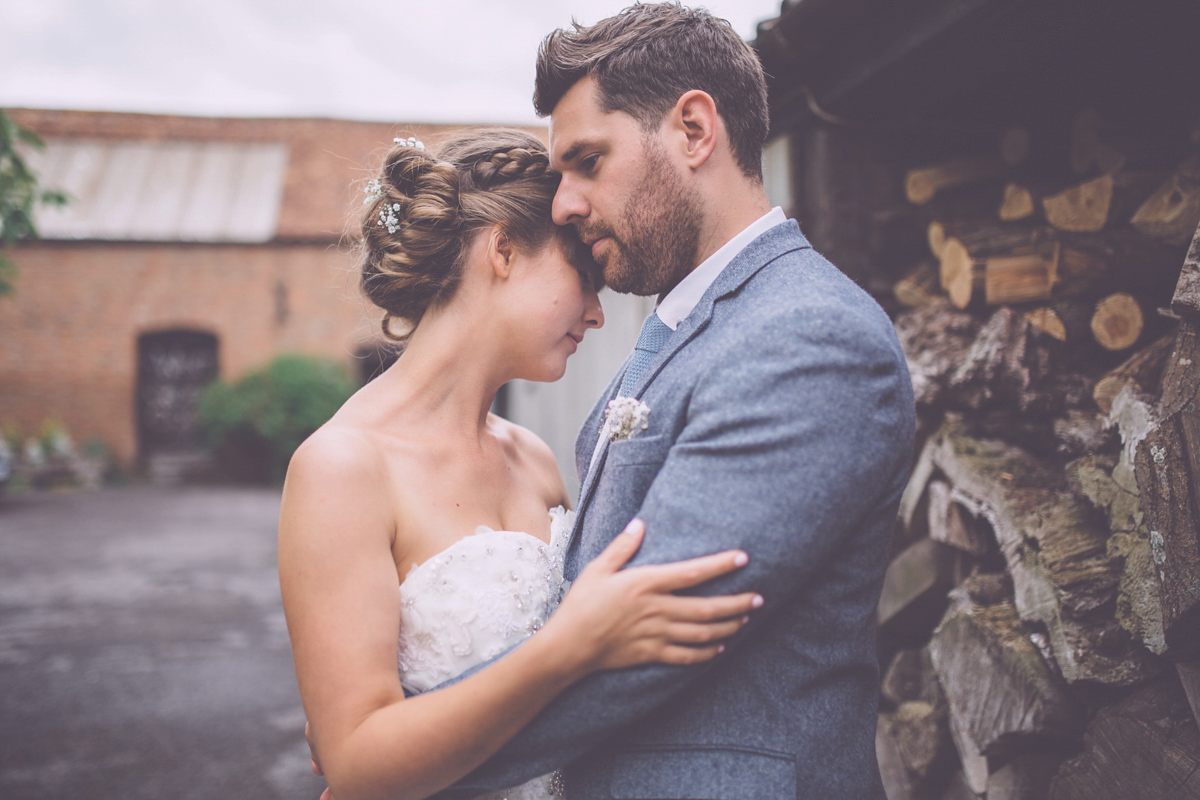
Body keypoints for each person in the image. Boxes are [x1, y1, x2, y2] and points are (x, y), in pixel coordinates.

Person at [414, 5, 916, 800]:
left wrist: (408, 748)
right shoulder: (695, 323)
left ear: (692, 129)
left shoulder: (809, 338)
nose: (564, 204)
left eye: (586, 161)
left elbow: (647, 642)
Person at [278, 128, 763, 800]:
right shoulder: (341, 469)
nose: (597, 314)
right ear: (502, 249)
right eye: (583, 277)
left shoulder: (532, 459)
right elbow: (359, 765)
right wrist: (569, 646)